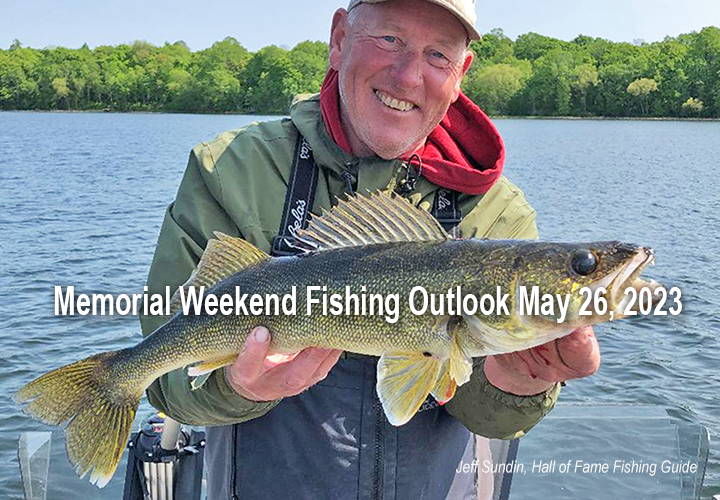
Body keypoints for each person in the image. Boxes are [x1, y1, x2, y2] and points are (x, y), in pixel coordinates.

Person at [140, 0, 600, 498]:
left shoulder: (499, 215)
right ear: (338, 39)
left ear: (460, 73)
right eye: (389, 40)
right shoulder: (232, 170)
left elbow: (481, 412)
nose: (407, 77)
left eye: (437, 55)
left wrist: (519, 384)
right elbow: (168, 381)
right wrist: (236, 387)